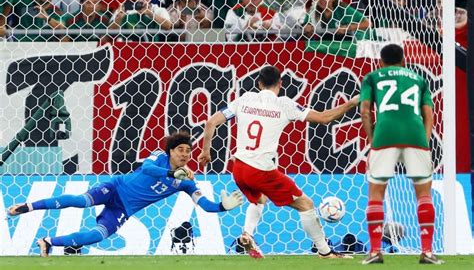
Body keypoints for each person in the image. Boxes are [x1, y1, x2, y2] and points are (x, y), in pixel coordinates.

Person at [198, 65, 359, 259]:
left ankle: (247, 234)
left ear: (259, 83)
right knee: (306, 205)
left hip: (239, 168)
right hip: (260, 171)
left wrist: (206, 151)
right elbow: (325, 118)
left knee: (259, 199)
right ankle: (325, 252)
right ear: (280, 84)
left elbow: (210, 123)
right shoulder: (284, 104)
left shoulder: (245, 99)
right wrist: (354, 101)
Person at [7, 131, 243, 257]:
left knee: (98, 236)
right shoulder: (158, 158)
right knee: (81, 201)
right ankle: (27, 206)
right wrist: (174, 174)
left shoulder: (186, 184)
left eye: (188, 151)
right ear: (170, 151)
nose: (185, 154)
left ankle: (48, 242)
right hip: (116, 187)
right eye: (180, 150)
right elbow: (148, 169)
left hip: (123, 209)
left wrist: (222, 207)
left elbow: (205, 206)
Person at [359, 44, 443, 265]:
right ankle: (427, 252)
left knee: (376, 192)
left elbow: (365, 111)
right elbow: (429, 114)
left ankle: (376, 251)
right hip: (415, 135)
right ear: (404, 61)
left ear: (381, 62)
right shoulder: (418, 79)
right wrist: (423, 141)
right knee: (423, 194)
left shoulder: (372, 77)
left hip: (385, 134)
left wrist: (371, 139)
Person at [303, 0, 370, 40]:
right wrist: (307, 30)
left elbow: (368, 23)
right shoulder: (313, 11)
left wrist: (347, 28)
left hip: (353, 42)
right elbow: (308, 34)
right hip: (328, 43)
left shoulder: (343, 9)